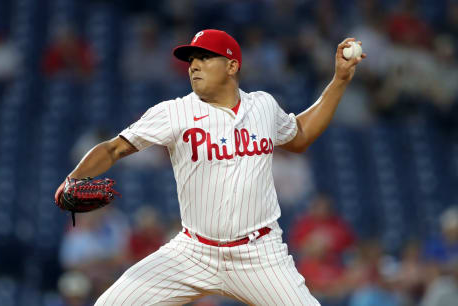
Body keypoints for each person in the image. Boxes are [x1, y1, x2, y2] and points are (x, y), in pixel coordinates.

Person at [54, 29, 365, 305]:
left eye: (205, 58)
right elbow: (114, 148)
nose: (194, 66)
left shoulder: (263, 106)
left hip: (259, 254)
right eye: (192, 60)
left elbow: (300, 136)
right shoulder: (174, 112)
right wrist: (74, 178)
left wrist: (338, 80)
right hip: (193, 252)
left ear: (232, 66)